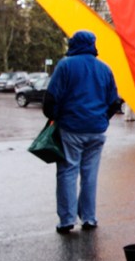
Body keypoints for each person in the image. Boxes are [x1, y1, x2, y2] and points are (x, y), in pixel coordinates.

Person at [42, 31, 121, 234]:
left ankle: (67, 220)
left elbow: (51, 98)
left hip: (71, 128)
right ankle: (89, 217)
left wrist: (54, 117)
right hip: (96, 130)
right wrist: (103, 119)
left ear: (73, 44)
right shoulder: (104, 68)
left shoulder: (65, 66)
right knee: (90, 174)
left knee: (68, 172)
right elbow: (114, 102)